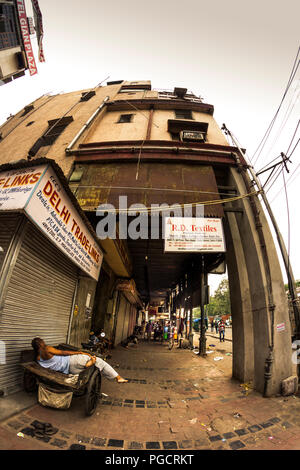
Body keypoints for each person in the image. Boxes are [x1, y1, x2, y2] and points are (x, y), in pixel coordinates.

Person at [31, 337, 128, 383]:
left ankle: (90, 364)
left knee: (92, 365)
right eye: (42, 341)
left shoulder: (38, 358)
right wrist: (80, 352)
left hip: (69, 370)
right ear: (41, 343)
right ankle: (118, 377)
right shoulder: (47, 349)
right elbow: (64, 353)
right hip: (72, 361)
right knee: (99, 360)